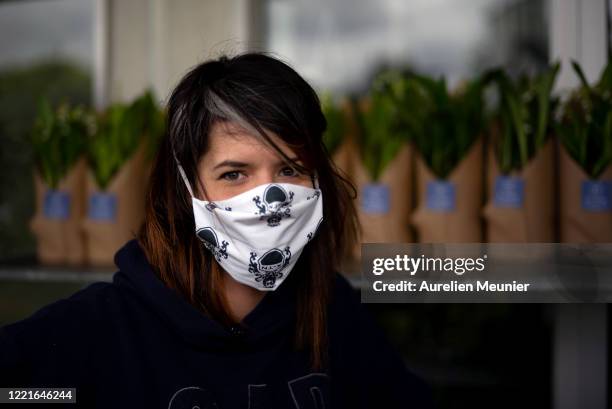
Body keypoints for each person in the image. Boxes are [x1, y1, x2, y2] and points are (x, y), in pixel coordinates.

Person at [0, 53, 432, 408]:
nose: (270, 198)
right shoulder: (97, 331)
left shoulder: (332, 310)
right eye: (234, 174)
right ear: (184, 189)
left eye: (290, 169)